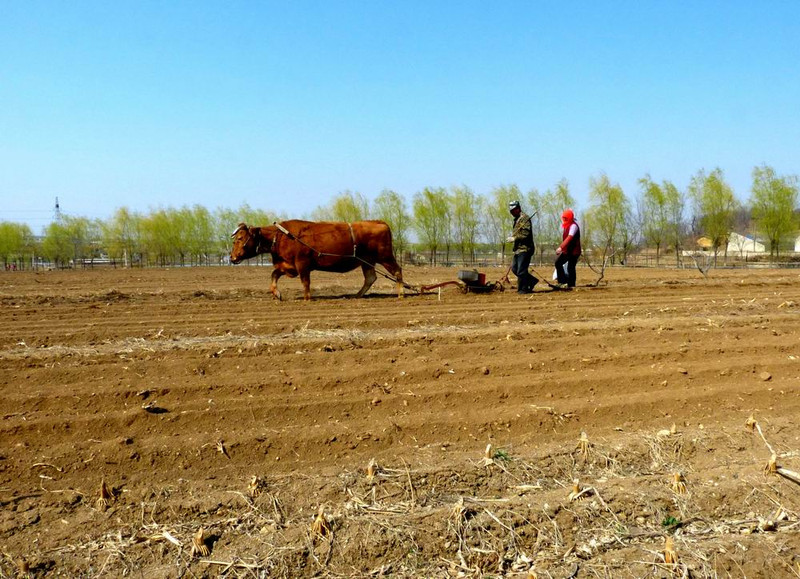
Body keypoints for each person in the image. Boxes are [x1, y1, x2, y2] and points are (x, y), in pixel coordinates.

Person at [506, 200, 538, 294]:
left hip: (525, 248)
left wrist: (514, 238)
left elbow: (526, 234)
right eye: (511, 211)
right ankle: (531, 281)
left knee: (521, 270)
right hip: (518, 249)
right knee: (515, 269)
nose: (512, 213)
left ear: (518, 209)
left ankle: (523, 289)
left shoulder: (525, 219)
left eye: (513, 211)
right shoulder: (516, 220)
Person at [555, 208, 581, 288]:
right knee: (558, 263)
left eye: (565, 218)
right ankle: (562, 282)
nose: (564, 220)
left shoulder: (573, 226)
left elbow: (569, 237)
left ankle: (571, 284)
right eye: (563, 218)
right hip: (567, 251)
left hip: (574, 252)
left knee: (571, 266)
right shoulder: (566, 226)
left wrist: (561, 247)